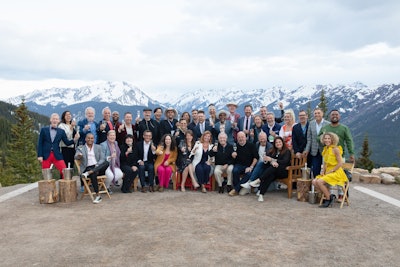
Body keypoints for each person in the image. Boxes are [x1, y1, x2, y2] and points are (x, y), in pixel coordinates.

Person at [320, 109, 355, 202]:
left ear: (339, 116)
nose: (334, 116)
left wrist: (351, 153)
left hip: (339, 155)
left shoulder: (344, 128)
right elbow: (318, 136)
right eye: (332, 115)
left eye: (336, 114)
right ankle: (331, 195)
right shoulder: (325, 128)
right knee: (328, 175)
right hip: (328, 155)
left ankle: (341, 195)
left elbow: (349, 140)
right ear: (330, 116)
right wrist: (324, 141)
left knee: (339, 176)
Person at [37, 113, 79, 179]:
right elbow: (40, 143)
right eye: (53, 119)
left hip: (57, 155)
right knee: (46, 175)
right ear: (50, 120)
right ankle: (48, 189)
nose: (55, 120)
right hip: (46, 155)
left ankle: (65, 188)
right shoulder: (44, 130)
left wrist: (74, 140)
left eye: (56, 119)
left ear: (58, 121)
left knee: (65, 172)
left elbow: (67, 142)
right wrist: (40, 155)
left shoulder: (61, 131)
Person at [250, 136, 291, 202]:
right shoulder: (273, 151)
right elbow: (268, 160)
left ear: (282, 143)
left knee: (272, 169)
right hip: (274, 171)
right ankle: (261, 195)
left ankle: (259, 181)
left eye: (279, 142)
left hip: (284, 171)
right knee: (270, 175)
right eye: (276, 142)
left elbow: (285, 162)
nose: (278, 143)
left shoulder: (287, 151)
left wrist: (273, 160)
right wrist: (270, 161)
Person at [312, 132, 348, 208]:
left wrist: (332, 171)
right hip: (328, 172)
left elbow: (340, 163)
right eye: (325, 138)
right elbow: (325, 163)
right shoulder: (326, 149)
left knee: (319, 181)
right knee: (314, 182)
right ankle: (329, 196)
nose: (327, 140)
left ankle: (328, 199)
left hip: (336, 172)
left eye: (329, 138)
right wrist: (323, 171)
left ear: (332, 140)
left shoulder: (336, 149)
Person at [75, 133, 109, 204]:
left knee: (106, 162)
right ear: (85, 139)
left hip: (97, 166)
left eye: (92, 138)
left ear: (94, 139)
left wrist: (97, 165)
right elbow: (76, 157)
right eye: (88, 138)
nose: (90, 140)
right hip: (87, 167)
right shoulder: (81, 148)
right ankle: (98, 196)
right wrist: (79, 156)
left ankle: (89, 172)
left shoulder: (98, 147)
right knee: (93, 174)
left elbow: (102, 158)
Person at [228, 131, 259, 196]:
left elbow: (256, 157)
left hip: (248, 165)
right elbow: (231, 158)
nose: (241, 139)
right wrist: (233, 155)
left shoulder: (251, 145)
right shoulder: (235, 146)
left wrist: (251, 167)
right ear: (237, 138)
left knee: (249, 174)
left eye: (242, 137)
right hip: (239, 165)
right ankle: (237, 188)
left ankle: (236, 189)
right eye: (239, 137)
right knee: (235, 171)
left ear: (245, 137)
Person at [304, 107, 330, 178]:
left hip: (325, 150)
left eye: (319, 113)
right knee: (315, 169)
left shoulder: (328, 124)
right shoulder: (311, 124)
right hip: (314, 150)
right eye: (315, 113)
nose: (317, 115)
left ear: (322, 114)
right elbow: (309, 138)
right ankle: (316, 185)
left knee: (326, 168)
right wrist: (307, 150)